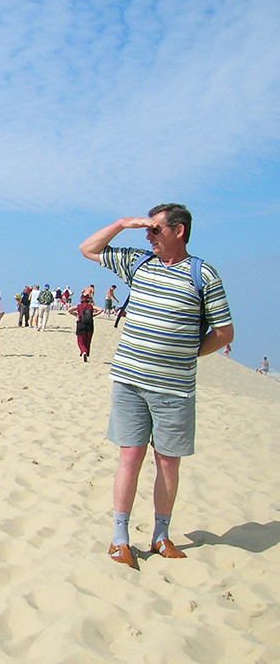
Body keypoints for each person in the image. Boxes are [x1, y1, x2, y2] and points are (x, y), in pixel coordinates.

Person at [79, 203, 233, 570]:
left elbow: (224, 332)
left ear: (179, 231)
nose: (148, 237)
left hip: (175, 389)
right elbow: (89, 249)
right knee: (130, 456)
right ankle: (120, 539)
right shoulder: (139, 262)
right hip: (130, 381)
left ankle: (161, 535)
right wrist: (121, 223)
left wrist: (186, 353)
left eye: (155, 230)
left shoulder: (203, 274)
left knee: (167, 462)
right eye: (146, 231)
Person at [68, 294, 103, 361]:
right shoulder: (91, 306)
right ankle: (86, 352)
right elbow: (101, 309)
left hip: (81, 323)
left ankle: (83, 351)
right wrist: (93, 315)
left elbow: (69, 310)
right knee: (88, 340)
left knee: (80, 341)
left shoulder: (79, 306)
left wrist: (76, 315)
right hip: (89, 325)